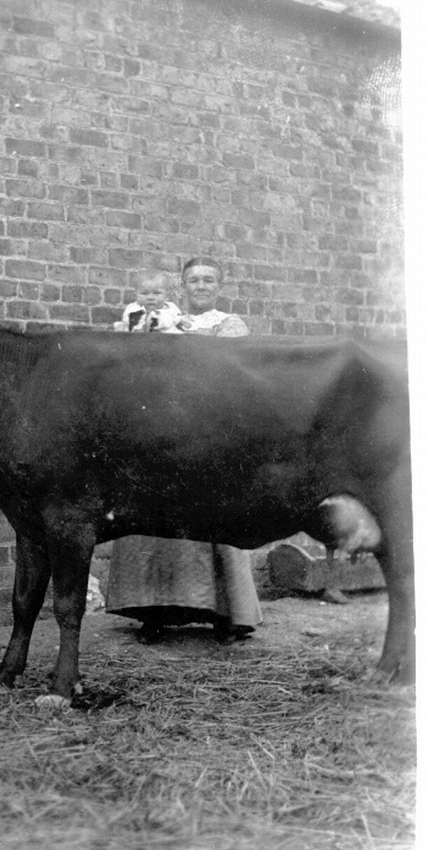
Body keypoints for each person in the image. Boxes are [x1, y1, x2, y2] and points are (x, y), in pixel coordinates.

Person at [106, 256, 263, 644]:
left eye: (209, 280)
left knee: (213, 512)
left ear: (220, 286)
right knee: (150, 512)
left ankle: (229, 615)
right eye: (193, 280)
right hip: (159, 425)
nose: (201, 286)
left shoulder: (229, 325)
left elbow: (230, 374)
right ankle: (152, 611)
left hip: (207, 427)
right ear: (183, 286)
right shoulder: (159, 320)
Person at [113, 270, 183, 333]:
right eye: (144, 293)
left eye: (156, 293)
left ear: (166, 296)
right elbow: (128, 319)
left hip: (167, 340)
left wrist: (156, 320)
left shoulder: (171, 308)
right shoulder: (133, 308)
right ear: (136, 296)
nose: (150, 297)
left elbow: (175, 319)